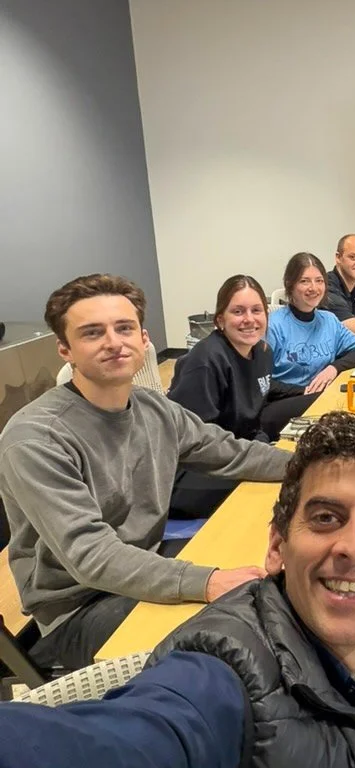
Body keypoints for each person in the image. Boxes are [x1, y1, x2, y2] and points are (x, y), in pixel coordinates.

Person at [0, 412, 355, 768]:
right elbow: (130, 740)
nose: (354, 546)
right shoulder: (222, 678)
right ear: (277, 545)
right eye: (325, 517)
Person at [0, 274, 290, 671]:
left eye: (124, 328)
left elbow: (229, 453)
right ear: (64, 348)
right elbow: (92, 556)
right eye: (92, 333)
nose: (114, 342)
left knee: (276, 573)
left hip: (146, 565)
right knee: (238, 640)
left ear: (144, 338)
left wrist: (311, 465)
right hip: (81, 608)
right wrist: (205, 582)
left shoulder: (154, 409)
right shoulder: (36, 438)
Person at [166, 275, 319, 518]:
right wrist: (258, 458)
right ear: (220, 320)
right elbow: (195, 446)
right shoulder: (206, 362)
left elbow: (262, 396)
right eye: (238, 311)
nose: (249, 319)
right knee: (282, 490)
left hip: (237, 453)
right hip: (192, 471)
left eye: (256, 310)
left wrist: (260, 449)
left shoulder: (261, 352)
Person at [267, 252, 355, 396]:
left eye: (319, 281)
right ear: (290, 284)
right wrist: (305, 392)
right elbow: (260, 382)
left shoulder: (329, 320)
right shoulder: (273, 325)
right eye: (305, 281)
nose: (314, 288)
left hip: (321, 397)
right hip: (286, 400)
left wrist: (334, 368)